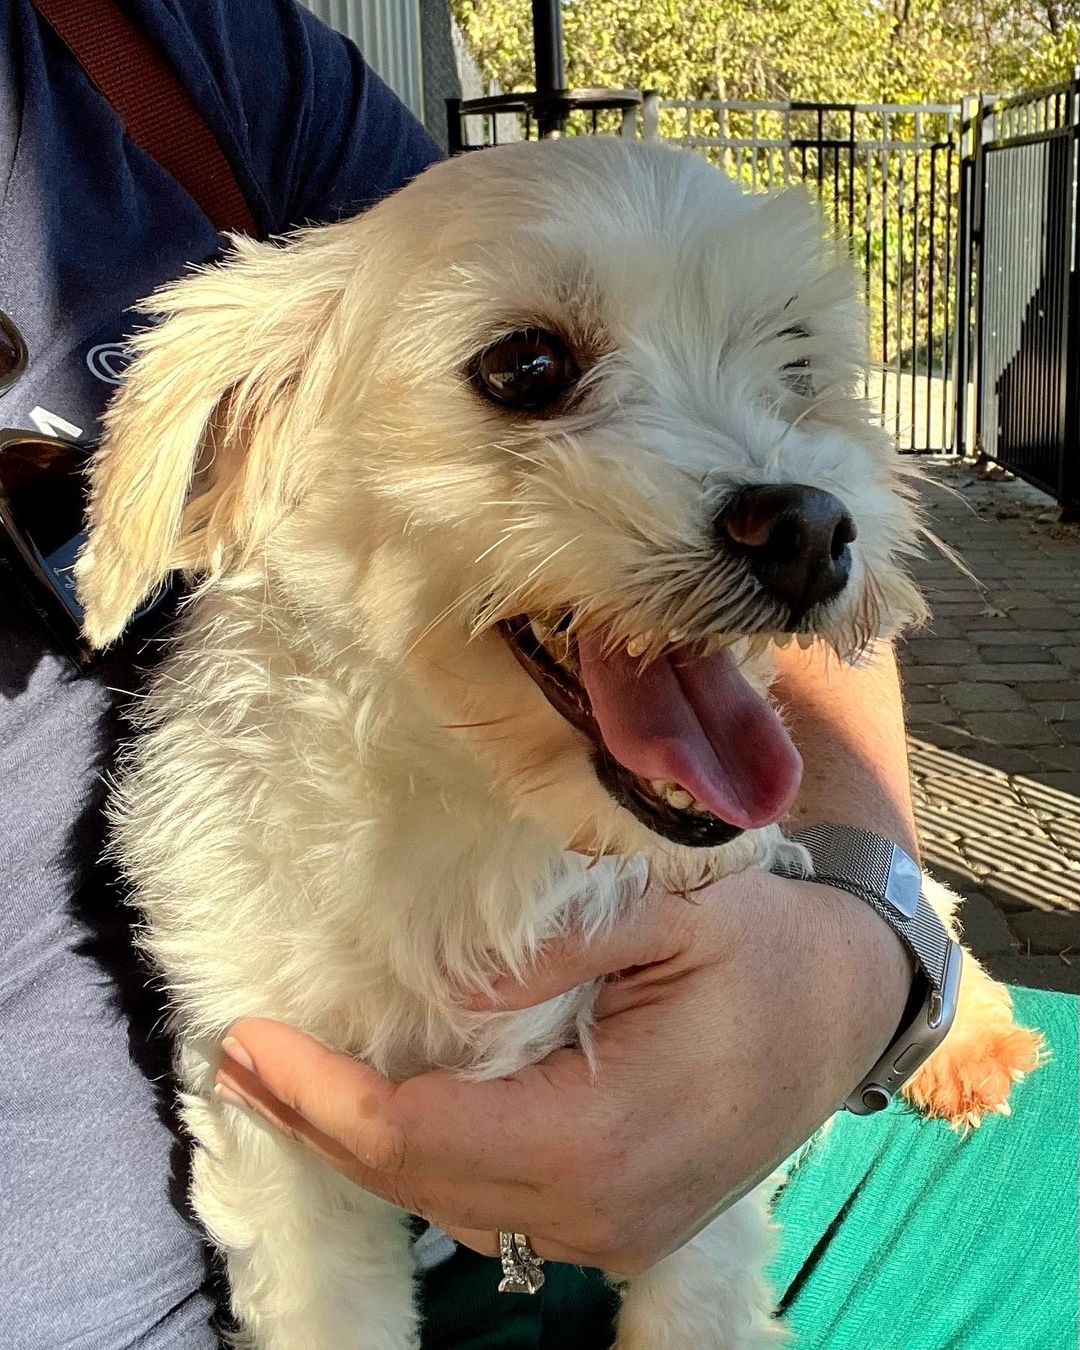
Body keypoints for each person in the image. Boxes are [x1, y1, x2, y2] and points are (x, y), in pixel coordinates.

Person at [1, 3, 1075, 1348]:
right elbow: (279, 1161)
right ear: (237, 421)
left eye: (791, 369)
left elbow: (785, 873)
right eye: (533, 371)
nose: (775, 484)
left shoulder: (181, 53)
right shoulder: (228, 863)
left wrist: (873, 937)